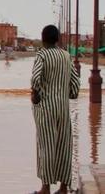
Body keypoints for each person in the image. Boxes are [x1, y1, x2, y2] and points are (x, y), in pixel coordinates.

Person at [31, 24, 80, 194]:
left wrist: (36, 95)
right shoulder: (66, 56)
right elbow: (75, 84)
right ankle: (64, 188)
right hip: (63, 108)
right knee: (64, 146)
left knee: (46, 145)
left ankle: (45, 188)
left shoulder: (42, 55)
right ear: (57, 39)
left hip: (45, 108)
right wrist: (70, 94)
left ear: (43, 39)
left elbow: (36, 78)